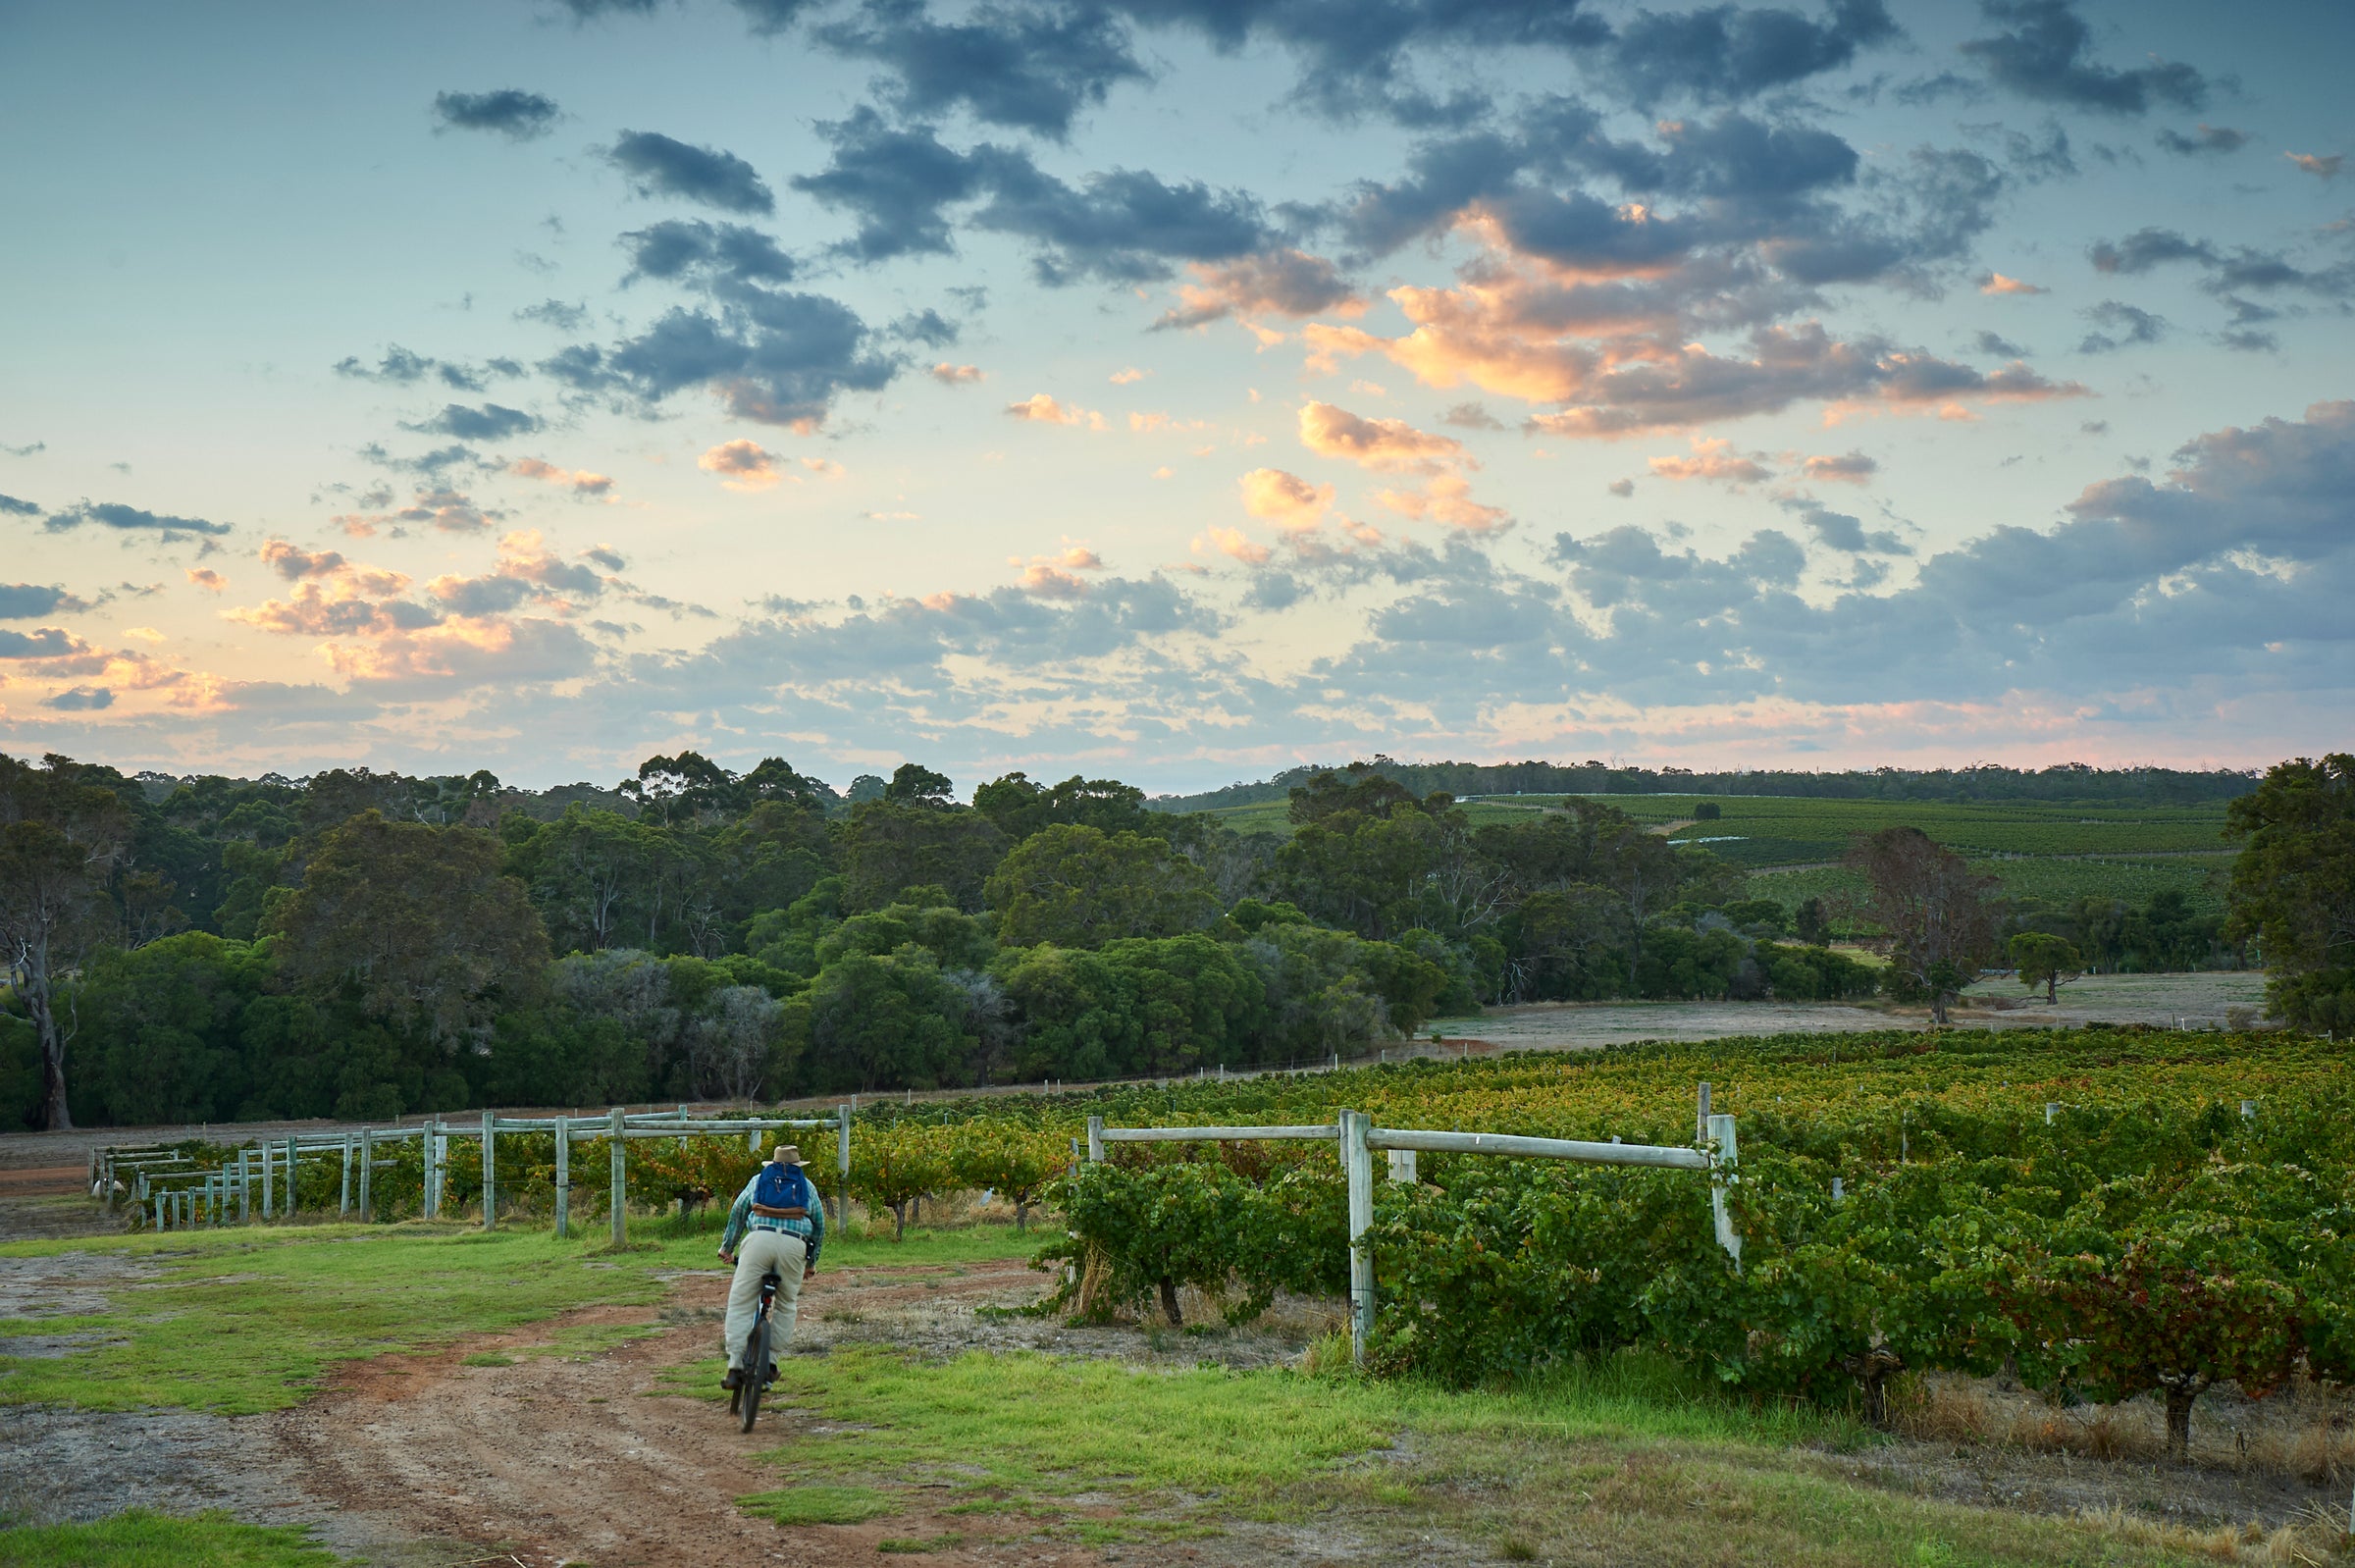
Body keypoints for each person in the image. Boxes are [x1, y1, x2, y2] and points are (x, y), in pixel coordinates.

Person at [716, 1143, 824, 1389]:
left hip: (759, 1241)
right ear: (797, 1166)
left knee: (741, 1301)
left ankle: (734, 1366)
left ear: (772, 1164)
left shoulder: (758, 1180)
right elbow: (819, 1227)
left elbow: (738, 1213)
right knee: (786, 1304)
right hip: (793, 1247)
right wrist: (811, 1262)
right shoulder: (807, 1187)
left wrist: (727, 1248)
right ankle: (772, 1362)